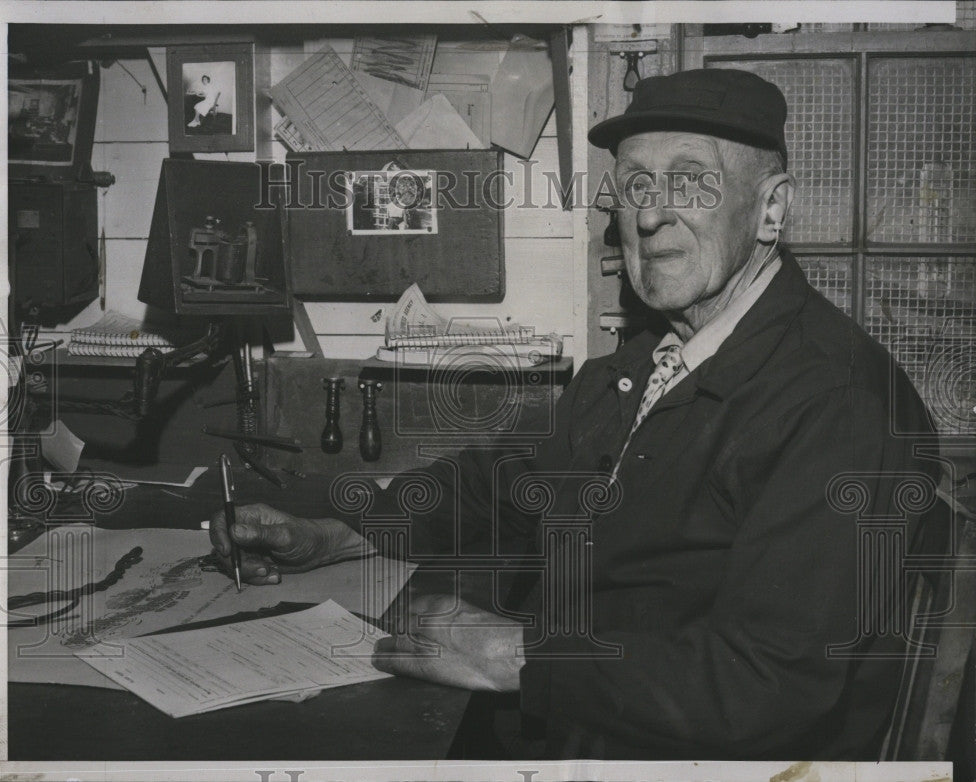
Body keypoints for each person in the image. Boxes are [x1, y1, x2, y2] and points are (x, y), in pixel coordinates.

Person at [210, 69, 939, 759]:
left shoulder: (838, 403)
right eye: (634, 186)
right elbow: (499, 488)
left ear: (773, 207)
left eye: (690, 183)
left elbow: (769, 683)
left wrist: (518, 657)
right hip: (595, 728)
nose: (650, 214)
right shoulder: (639, 369)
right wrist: (337, 533)